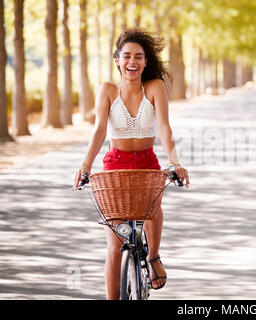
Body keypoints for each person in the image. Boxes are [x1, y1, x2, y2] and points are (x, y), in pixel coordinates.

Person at [72, 28, 190, 299]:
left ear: (146, 61)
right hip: (115, 164)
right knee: (114, 247)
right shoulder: (108, 90)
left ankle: (154, 256)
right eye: (126, 56)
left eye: (139, 56)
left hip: (148, 161)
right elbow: (99, 130)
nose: (132, 62)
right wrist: (86, 165)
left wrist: (175, 162)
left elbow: (164, 128)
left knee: (153, 208)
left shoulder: (155, 87)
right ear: (117, 60)